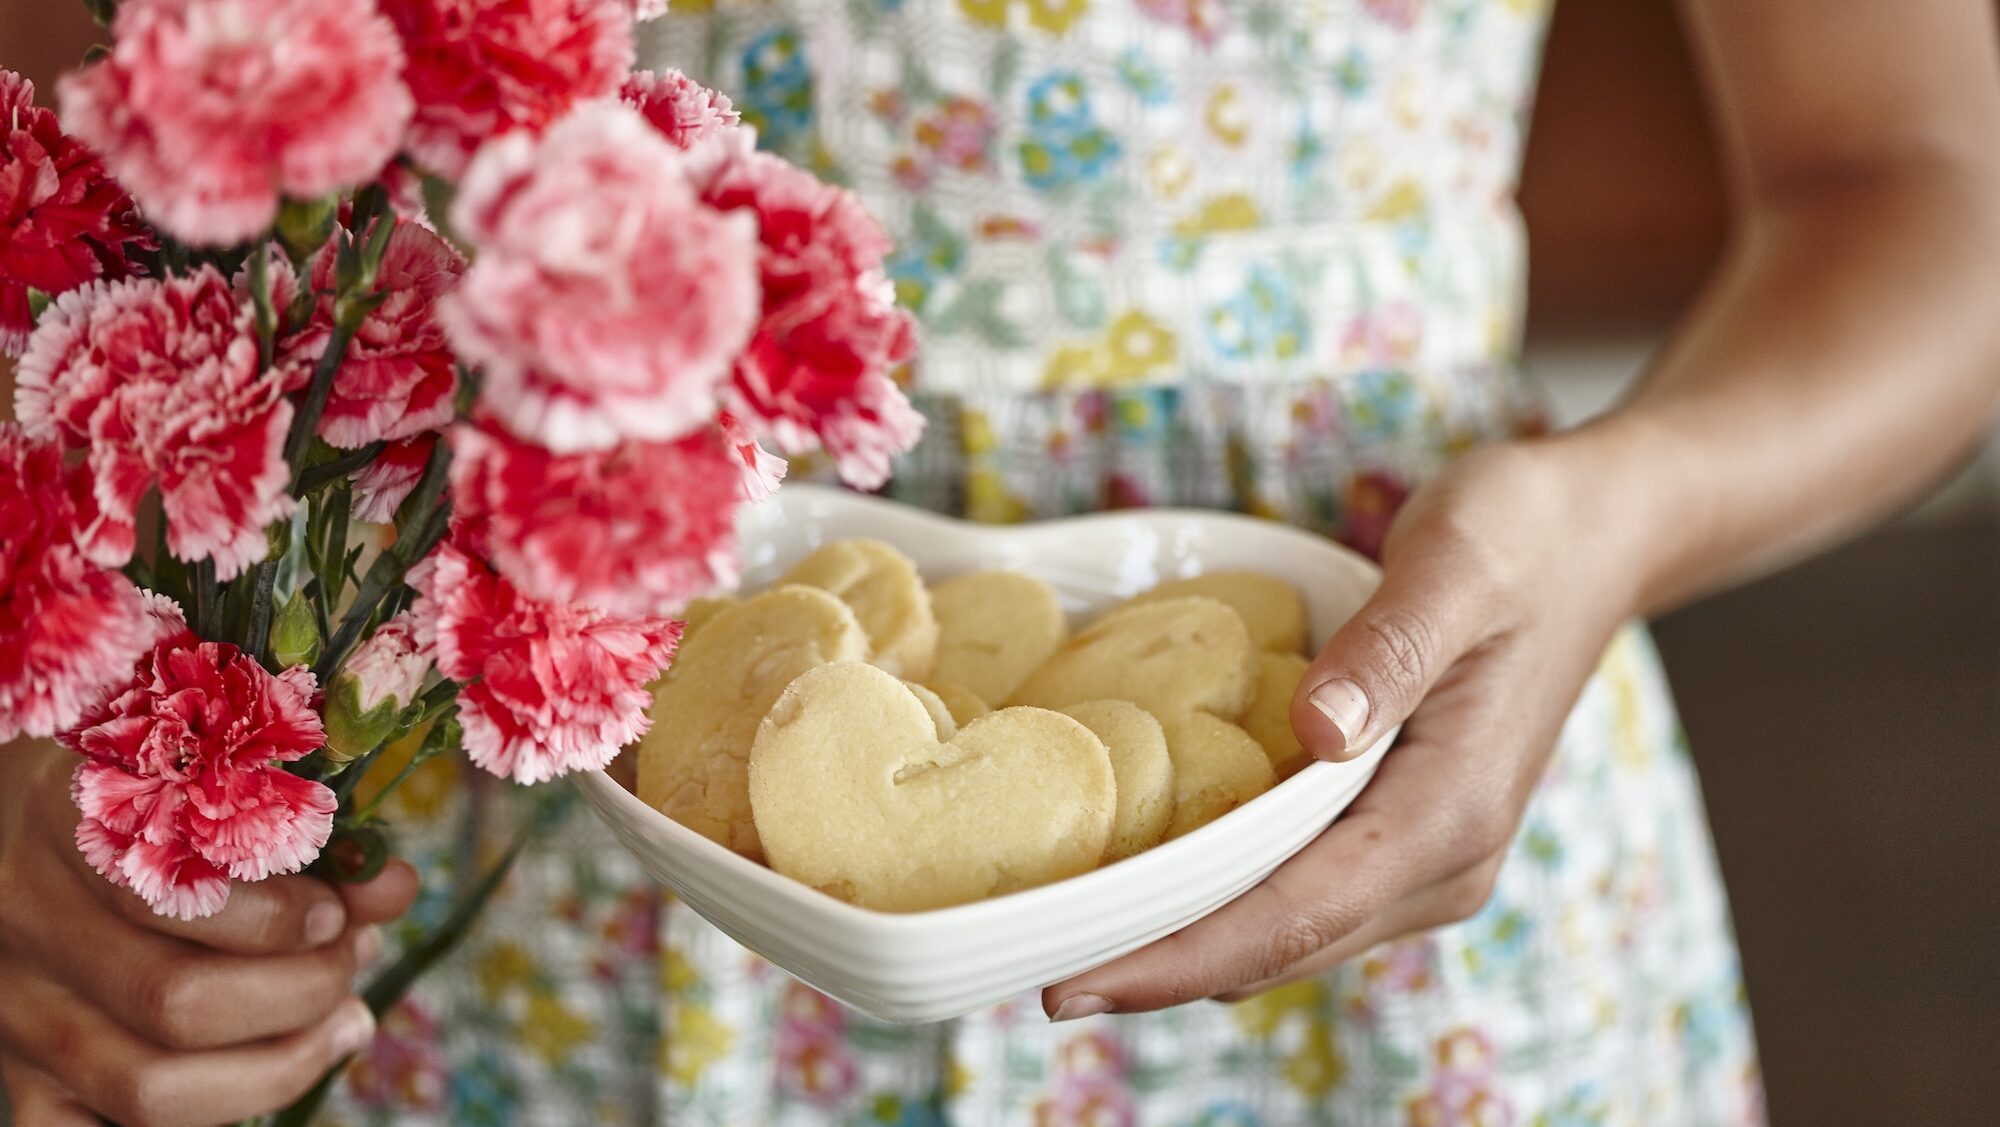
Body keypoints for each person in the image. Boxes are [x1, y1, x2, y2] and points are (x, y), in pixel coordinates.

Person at [6, 0, 2000, 1123]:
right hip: (529, 837)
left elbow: (1924, 191)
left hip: (1380, 807)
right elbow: (73, 162)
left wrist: (1614, 515)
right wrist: (54, 731)